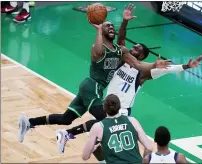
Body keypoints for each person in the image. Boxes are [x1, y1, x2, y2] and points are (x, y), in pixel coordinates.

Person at [56, 3, 202, 155]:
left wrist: (186, 66)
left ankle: (72, 136)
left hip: (123, 110)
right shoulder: (121, 61)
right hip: (108, 105)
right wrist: (125, 21)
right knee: (107, 135)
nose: (133, 49)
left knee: (122, 139)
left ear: (142, 56)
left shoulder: (143, 72)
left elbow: (168, 69)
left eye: (137, 49)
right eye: (134, 47)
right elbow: (121, 40)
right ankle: (74, 137)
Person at [18, 4, 170, 144]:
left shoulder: (120, 50)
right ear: (101, 31)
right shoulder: (98, 49)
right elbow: (97, 50)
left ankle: (30, 122)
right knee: (108, 119)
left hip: (91, 89)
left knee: (66, 118)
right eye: (107, 26)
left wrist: (154, 65)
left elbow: (138, 64)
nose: (111, 27)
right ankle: (74, 138)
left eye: (112, 25)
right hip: (92, 86)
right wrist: (98, 31)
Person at [82, 94, 153, 164]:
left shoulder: (98, 127)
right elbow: (149, 148)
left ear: (104, 108)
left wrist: (93, 149)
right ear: (119, 107)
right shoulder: (132, 121)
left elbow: (85, 157)